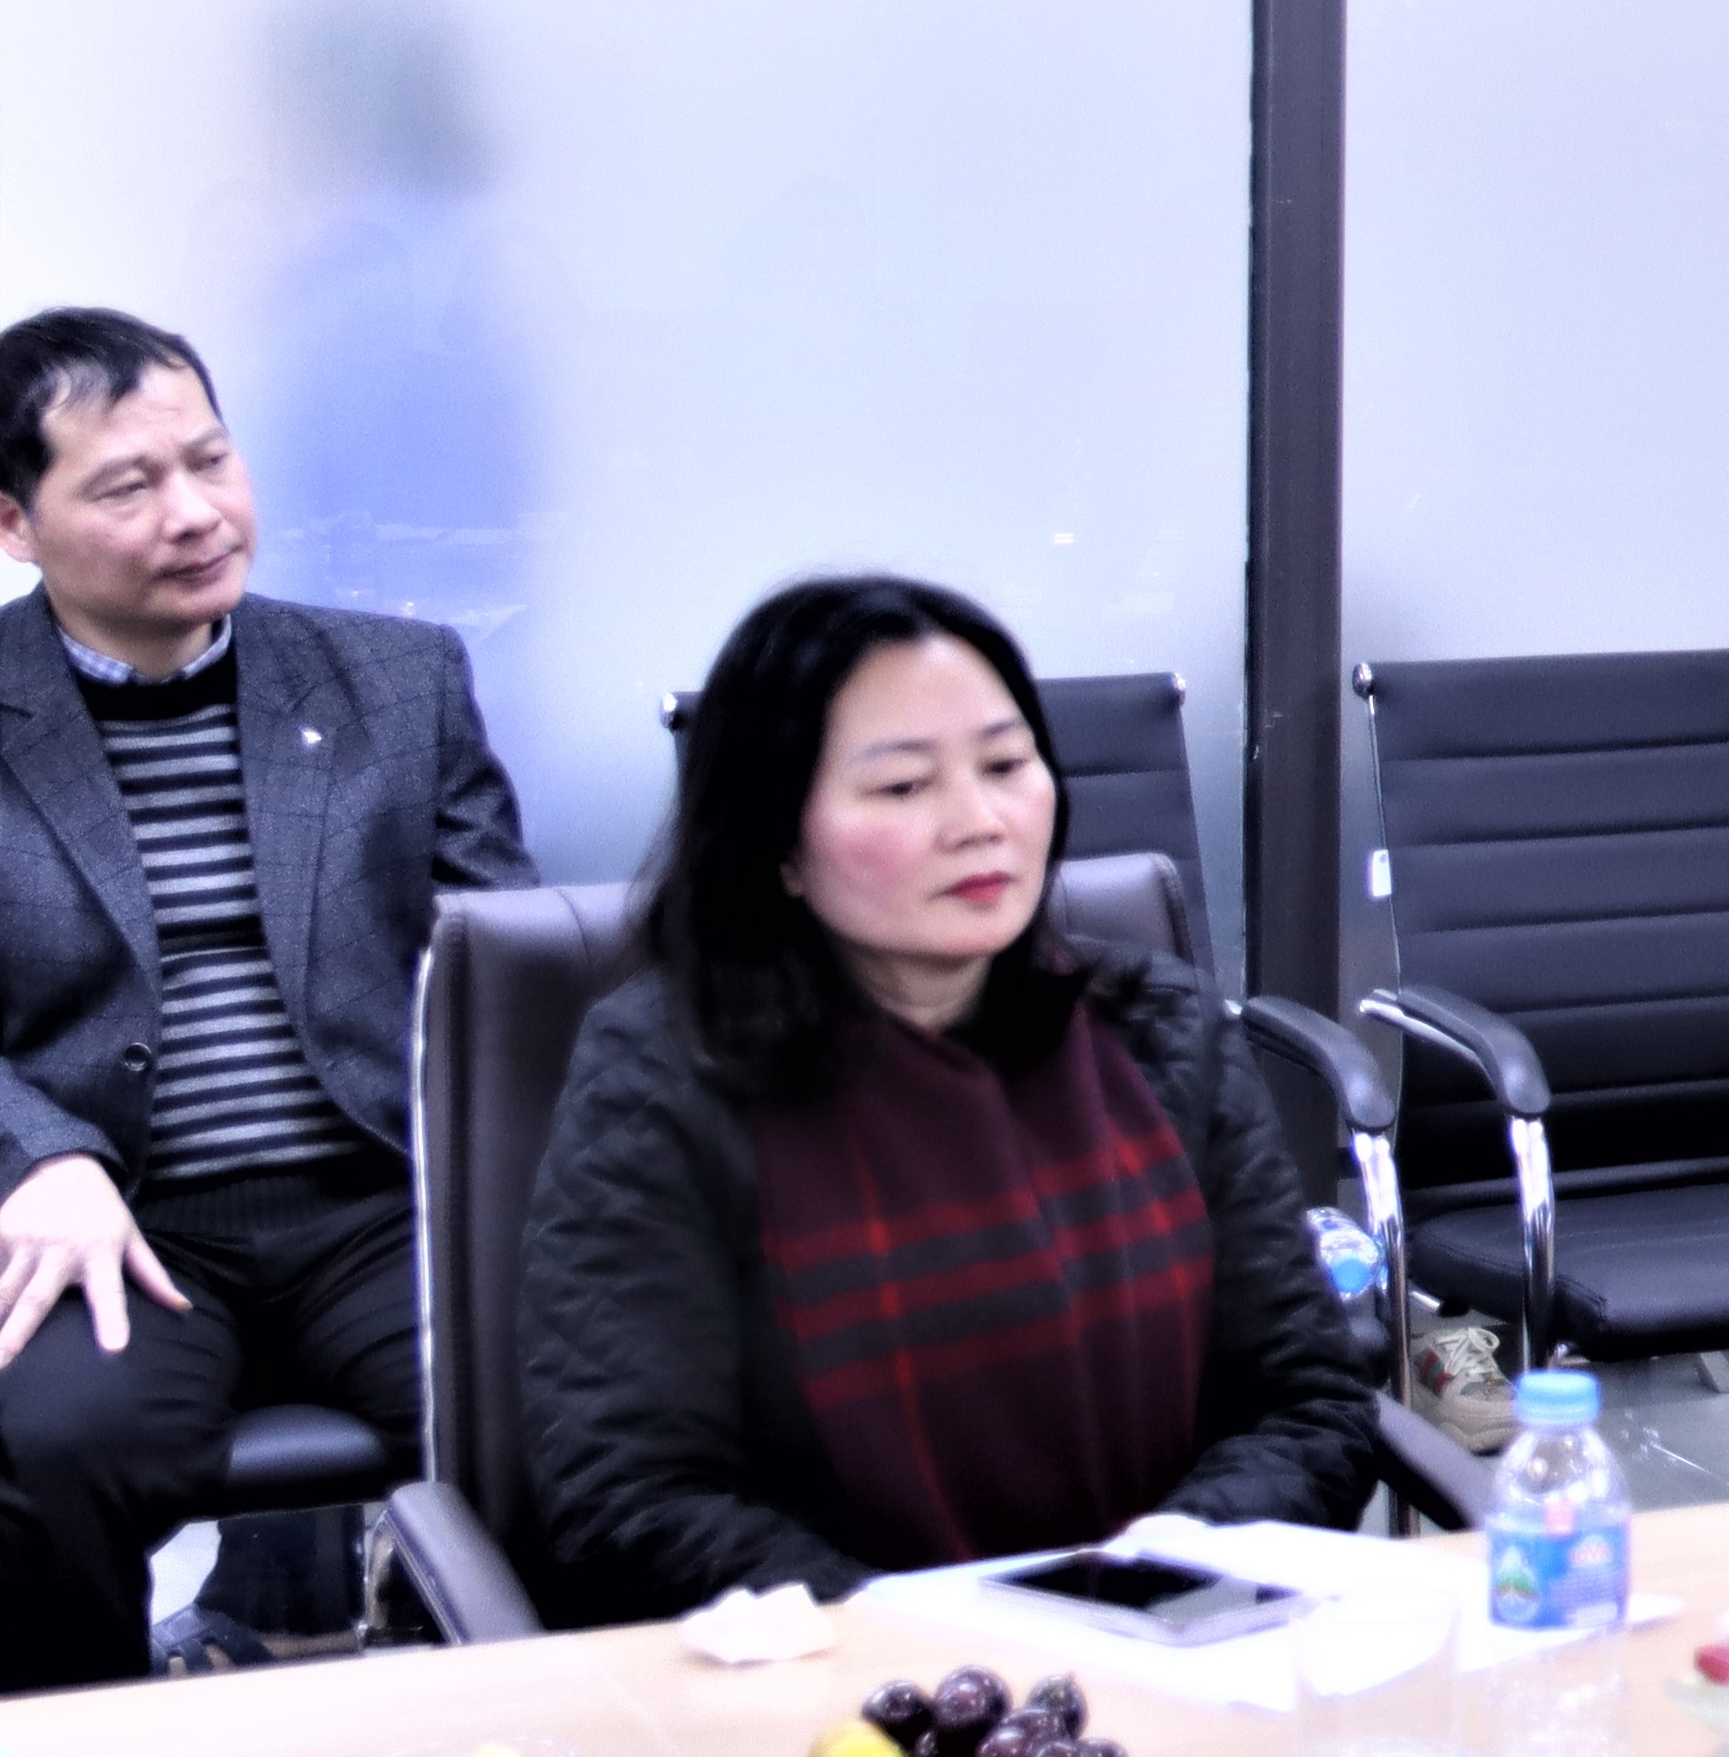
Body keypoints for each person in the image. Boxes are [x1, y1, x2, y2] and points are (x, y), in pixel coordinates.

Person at [510, 575, 1380, 1623]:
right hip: (840, 1687)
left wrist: (1147, 1582)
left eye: (1007, 765)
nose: (980, 821)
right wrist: (952, 1641)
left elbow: (1308, 1402)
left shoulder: (1160, 1029)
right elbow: (631, 1493)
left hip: (1173, 1644)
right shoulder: (667, 1075)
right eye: (902, 786)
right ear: (778, 844)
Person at [0, 307, 531, 1691]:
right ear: (13, 522)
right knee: (59, 1444)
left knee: (553, 1397)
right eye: (126, 484)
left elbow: (508, 961)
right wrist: (35, 1156)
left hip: (383, 1199)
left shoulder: (394, 678)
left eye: (210, 459)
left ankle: (549, 1730)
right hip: (119, 1217)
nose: (195, 511)